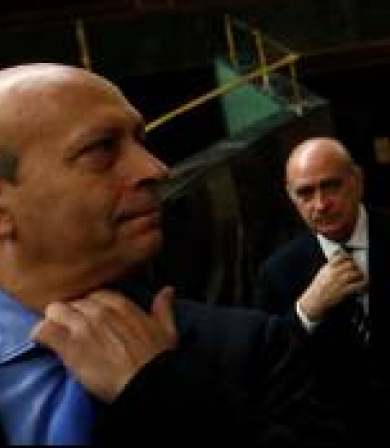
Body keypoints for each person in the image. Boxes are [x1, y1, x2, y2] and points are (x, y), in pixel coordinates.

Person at [0, 63, 348, 445]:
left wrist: (163, 392)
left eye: (140, 140)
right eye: (101, 148)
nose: (155, 169)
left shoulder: (251, 348)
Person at [254, 137, 390, 445]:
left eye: (331, 186)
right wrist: (306, 312)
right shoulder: (276, 274)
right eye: (305, 193)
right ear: (291, 197)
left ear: (357, 181)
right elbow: (268, 373)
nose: (321, 204)